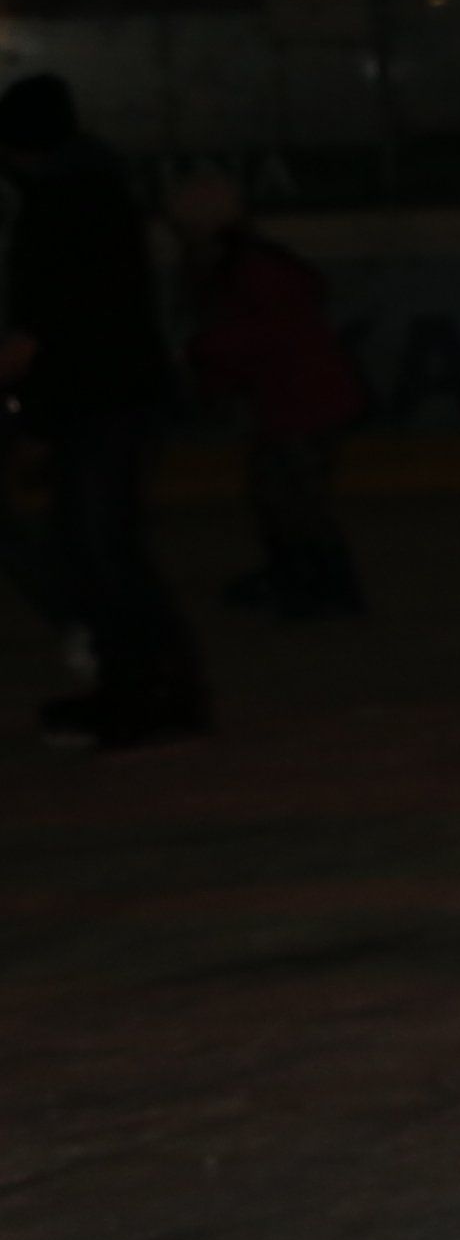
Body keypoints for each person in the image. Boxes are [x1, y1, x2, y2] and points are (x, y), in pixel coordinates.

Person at [0, 72, 207, 749]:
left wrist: (32, 408)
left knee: (101, 550)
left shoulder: (63, 202)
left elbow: (50, 325)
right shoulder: (92, 190)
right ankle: (141, 686)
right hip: (106, 397)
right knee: (95, 548)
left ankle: (150, 690)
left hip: (99, 401)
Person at [169, 170, 369, 620]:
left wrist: (205, 354)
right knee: (276, 494)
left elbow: (266, 334)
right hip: (292, 399)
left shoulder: (247, 268)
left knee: (296, 500)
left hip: (303, 400)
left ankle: (328, 586)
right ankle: (300, 577)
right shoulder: (244, 264)